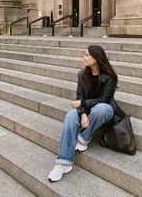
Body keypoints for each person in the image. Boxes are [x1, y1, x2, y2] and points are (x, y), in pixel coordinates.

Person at [48, 45, 118, 182]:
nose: (83, 58)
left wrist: (82, 104)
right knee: (70, 115)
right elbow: (79, 97)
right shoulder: (82, 74)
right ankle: (63, 163)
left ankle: (83, 138)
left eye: (86, 55)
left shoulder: (110, 77)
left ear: (96, 59)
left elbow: (104, 100)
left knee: (101, 108)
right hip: (86, 110)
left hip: (105, 110)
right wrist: (82, 113)